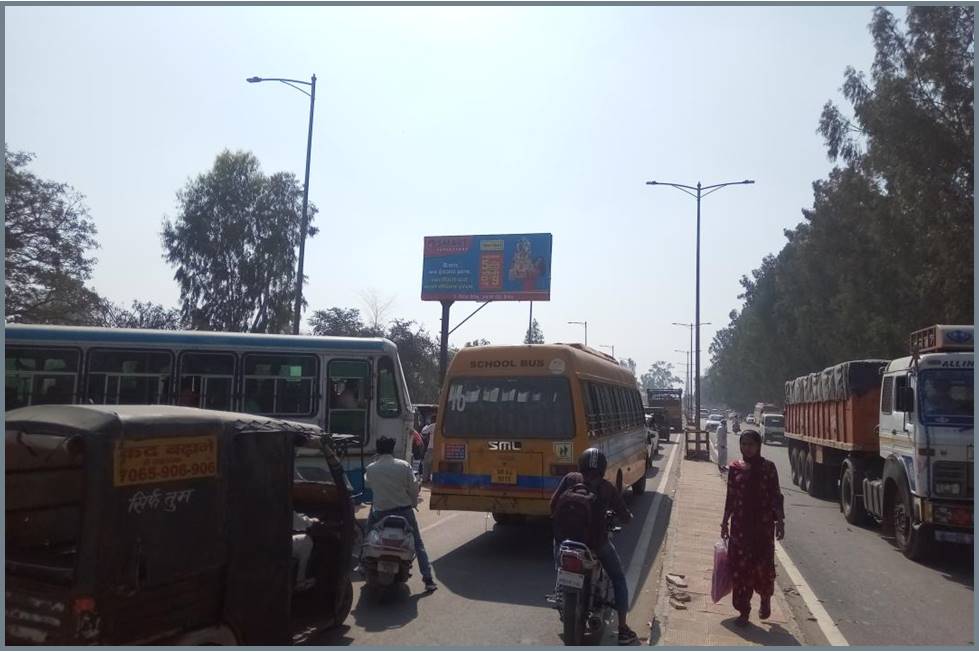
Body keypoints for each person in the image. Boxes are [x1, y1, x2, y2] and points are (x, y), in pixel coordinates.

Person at [550, 448, 639, 645]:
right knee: (618, 578)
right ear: (603, 468)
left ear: (580, 465)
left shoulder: (570, 478)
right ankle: (623, 630)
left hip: (566, 542)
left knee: (558, 549)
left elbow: (553, 505)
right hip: (596, 544)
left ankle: (560, 584)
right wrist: (628, 518)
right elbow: (624, 516)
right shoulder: (607, 488)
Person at [720, 429, 785, 625]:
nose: (747, 448)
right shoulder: (735, 468)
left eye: (751, 444)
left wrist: (780, 521)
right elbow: (730, 497)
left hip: (763, 529)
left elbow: (776, 496)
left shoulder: (768, 468)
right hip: (740, 528)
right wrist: (725, 522)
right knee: (740, 570)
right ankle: (743, 611)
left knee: (763, 568)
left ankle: (765, 599)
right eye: (744, 444)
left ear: (759, 446)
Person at [364, 436, 437, 593]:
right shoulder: (404, 466)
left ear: (378, 449)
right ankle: (428, 579)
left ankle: (362, 564)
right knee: (418, 544)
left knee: (368, 535)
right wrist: (413, 503)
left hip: (380, 513)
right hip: (404, 512)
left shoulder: (371, 468)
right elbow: (413, 489)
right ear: (392, 449)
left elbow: (368, 484)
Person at [420, 414, 437, 482]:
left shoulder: (432, 425)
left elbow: (423, 431)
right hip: (439, 448)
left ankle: (425, 479)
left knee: (426, 463)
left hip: (431, 448)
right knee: (434, 464)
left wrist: (427, 425)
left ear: (433, 420)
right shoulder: (443, 425)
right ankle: (432, 479)